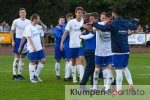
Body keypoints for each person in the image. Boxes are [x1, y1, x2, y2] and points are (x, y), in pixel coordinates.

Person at [91, 7, 139, 94]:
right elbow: (134, 26)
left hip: (117, 50)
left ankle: (118, 90)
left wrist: (94, 23)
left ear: (113, 13)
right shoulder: (125, 22)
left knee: (118, 70)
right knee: (125, 67)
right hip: (126, 49)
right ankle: (131, 84)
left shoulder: (113, 23)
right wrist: (134, 20)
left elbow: (103, 28)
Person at [60, 7, 85, 83]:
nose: (80, 14)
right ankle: (74, 77)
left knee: (81, 60)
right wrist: (62, 42)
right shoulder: (71, 22)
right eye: (78, 12)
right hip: (72, 45)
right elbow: (65, 32)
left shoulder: (84, 22)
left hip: (81, 45)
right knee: (73, 61)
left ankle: (81, 78)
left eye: (81, 12)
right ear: (75, 13)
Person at [23, 14, 46, 83]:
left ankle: (36, 75)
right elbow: (29, 38)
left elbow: (45, 28)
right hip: (32, 48)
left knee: (43, 60)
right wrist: (33, 47)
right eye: (38, 19)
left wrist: (41, 22)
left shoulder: (38, 26)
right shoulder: (28, 27)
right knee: (32, 62)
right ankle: (31, 78)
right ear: (34, 19)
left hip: (39, 48)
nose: (39, 20)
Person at [10, 8, 31, 80]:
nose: (23, 13)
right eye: (21, 12)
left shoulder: (29, 21)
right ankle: (14, 75)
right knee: (16, 58)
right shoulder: (16, 21)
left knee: (23, 58)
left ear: (26, 13)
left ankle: (19, 74)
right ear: (19, 14)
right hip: (18, 40)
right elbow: (12, 31)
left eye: (24, 12)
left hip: (26, 40)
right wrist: (12, 41)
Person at [79, 12, 96, 89]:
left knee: (93, 68)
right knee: (89, 68)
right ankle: (82, 85)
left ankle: (93, 85)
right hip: (90, 51)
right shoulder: (86, 31)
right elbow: (87, 36)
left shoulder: (86, 31)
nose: (90, 24)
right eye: (89, 23)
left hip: (92, 51)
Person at [62, 13, 74, 81]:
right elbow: (66, 34)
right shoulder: (65, 26)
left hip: (71, 45)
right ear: (67, 19)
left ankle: (68, 75)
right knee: (70, 60)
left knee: (69, 60)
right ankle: (67, 76)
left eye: (72, 18)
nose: (72, 20)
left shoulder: (72, 25)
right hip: (68, 45)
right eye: (70, 18)